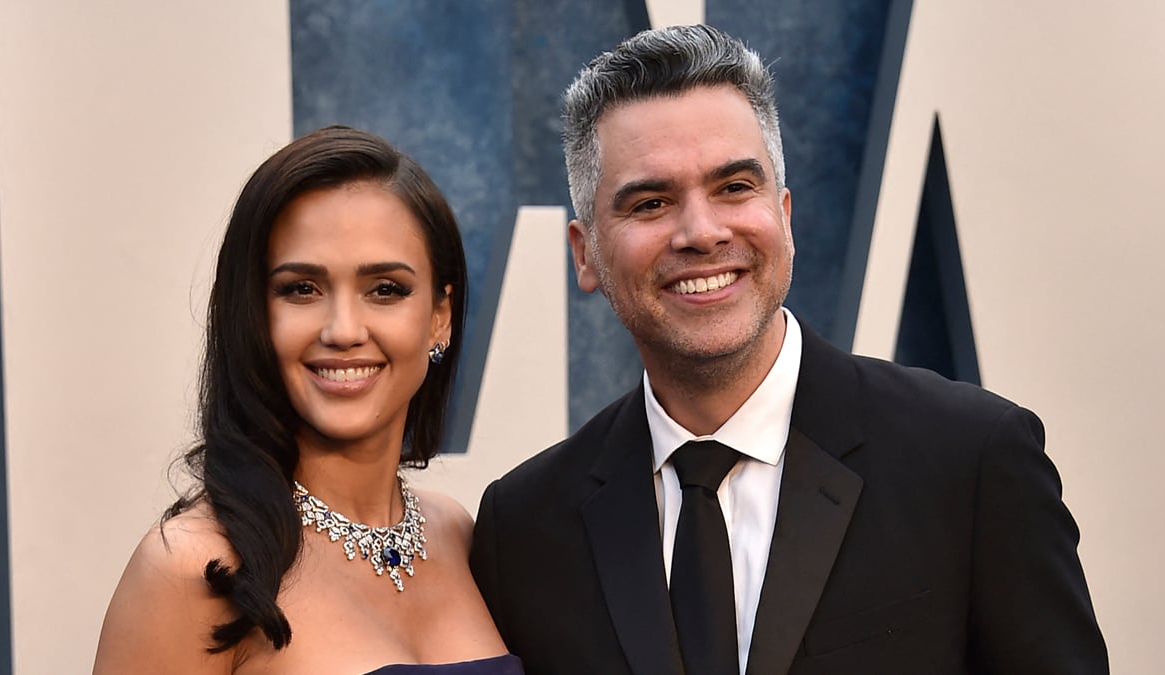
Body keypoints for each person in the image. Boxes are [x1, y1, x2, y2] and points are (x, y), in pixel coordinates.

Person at [470, 24, 1107, 674]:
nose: (701, 231)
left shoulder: (973, 460)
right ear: (586, 253)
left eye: (734, 188)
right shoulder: (523, 528)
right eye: (652, 202)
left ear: (784, 216)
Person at [94, 126, 523, 674]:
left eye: (385, 289)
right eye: (301, 289)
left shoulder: (458, 534)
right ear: (253, 314)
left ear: (440, 317)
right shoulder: (191, 570)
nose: (343, 330)